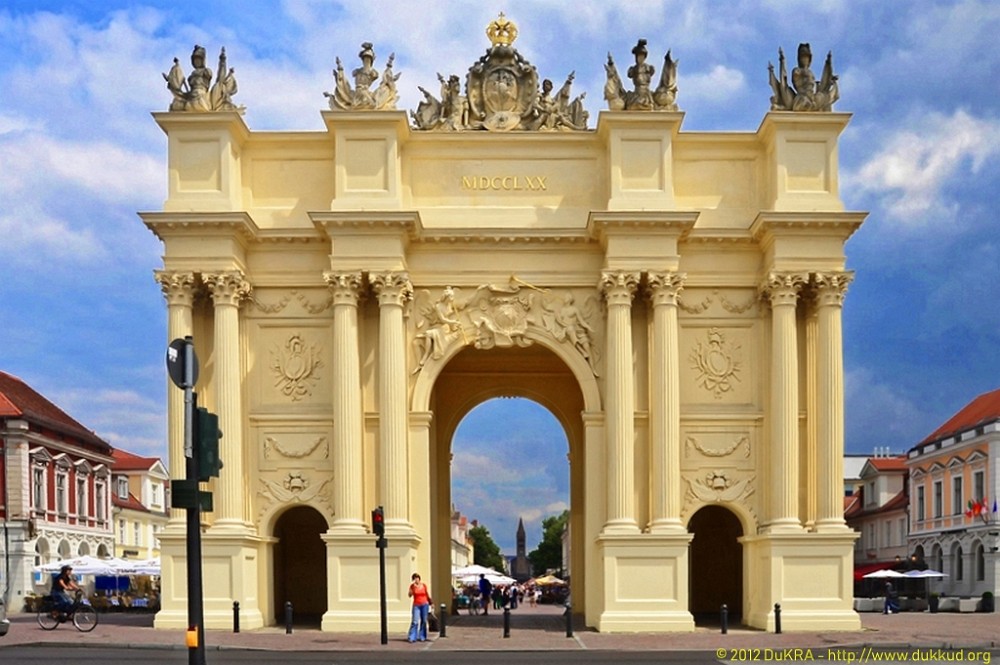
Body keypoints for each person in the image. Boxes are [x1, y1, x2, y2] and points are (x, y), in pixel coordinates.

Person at [407, 572, 432, 642]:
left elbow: (427, 594)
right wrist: (412, 589)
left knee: (424, 621)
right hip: (416, 605)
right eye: (415, 578)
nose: (416, 580)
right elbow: (409, 595)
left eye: (417, 578)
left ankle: (422, 636)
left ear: (419, 579)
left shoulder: (424, 585)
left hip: (424, 604)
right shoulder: (412, 586)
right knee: (415, 621)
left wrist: (431, 602)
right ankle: (412, 637)